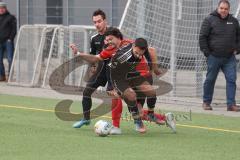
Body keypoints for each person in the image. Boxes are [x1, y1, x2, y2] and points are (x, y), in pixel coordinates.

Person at [70, 9, 123, 135]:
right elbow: (93, 56)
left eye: (99, 21)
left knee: (114, 95)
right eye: (94, 22)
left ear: (105, 21)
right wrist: (92, 67)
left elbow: (122, 49)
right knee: (87, 91)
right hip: (100, 71)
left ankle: (117, 126)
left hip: (113, 71)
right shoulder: (94, 38)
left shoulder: (114, 34)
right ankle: (86, 119)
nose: (97, 24)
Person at [109, 37, 176, 133]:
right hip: (119, 78)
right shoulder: (121, 56)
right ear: (133, 46)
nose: (139, 56)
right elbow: (110, 69)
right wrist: (112, 87)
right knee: (131, 97)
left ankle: (151, 115)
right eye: (136, 53)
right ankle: (136, 122)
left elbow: (149, 54)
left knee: (151, 92)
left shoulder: (142, 50)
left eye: (141, 54)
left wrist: (152, 68)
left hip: (132, 74)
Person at [199, 0, 240, 111]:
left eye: (226, 9)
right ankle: (206, 102)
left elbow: (238, 38)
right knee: (210, 79)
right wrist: (207, 53)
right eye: (221, 8)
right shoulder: (209, 20)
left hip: (229, 58)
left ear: (229, 10)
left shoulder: (234, 21)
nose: (223, 10)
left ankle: (231, 105)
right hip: (214, 57)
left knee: (232, 80)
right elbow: (202, 37)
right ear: (218, 8)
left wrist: (237, 49)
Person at [0, 2, 17, 81]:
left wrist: (10, 39)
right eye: (0, 8)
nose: (1, 10)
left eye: (3, 8)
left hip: (8, 42)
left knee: (10, 59)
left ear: (5, 8)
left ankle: (10, 76)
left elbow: (14, 29)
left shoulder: (10, 17)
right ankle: (2, 76)